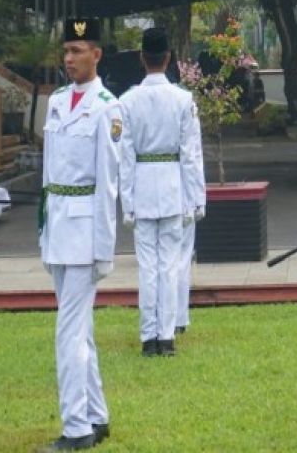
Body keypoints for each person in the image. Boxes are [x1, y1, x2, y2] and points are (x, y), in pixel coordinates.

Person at [39, 18, 120, 451]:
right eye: (66, 50)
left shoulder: (107, 107)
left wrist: (104, 251)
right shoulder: (55, 103)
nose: (69, 58)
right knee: (80, 330)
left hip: (86, 231)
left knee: (67, 332)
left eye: (78, 50)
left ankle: (76, 428)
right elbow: (49, 175)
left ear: (97, 55)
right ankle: (96, 415)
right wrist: (43, 229)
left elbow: (109, 185)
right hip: (58, 228)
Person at [118, 27, 205, 357]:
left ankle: (148, 336)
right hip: (171, 185)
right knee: (169, 264)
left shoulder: (127, 101)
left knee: (147, 266)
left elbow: (124, 157)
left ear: (142, 58)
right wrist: (196, 198)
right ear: (168, 58)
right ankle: (166, 336)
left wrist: (126, 201)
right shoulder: (183, 100)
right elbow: (191, 154)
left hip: (142, 184)